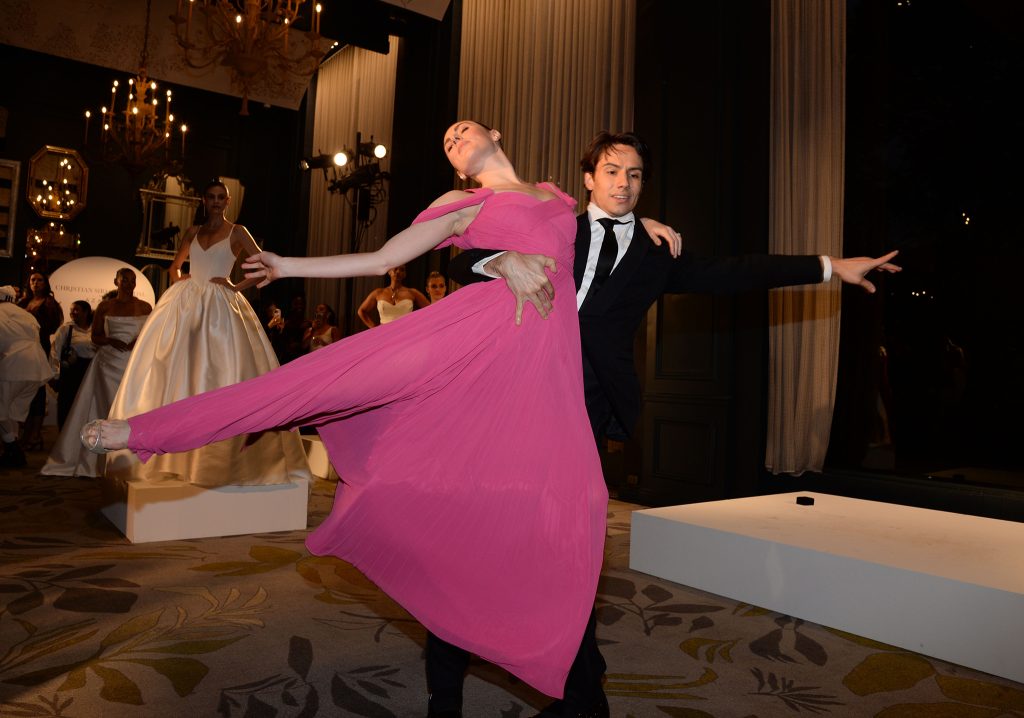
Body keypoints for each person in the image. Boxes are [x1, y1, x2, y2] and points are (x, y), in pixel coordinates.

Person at [79, 120, 684, 714]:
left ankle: (567, 674)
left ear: (495, 135)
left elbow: (600, 232)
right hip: (472, 337)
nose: (454, 140)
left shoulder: (554, 195)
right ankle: (147, 430)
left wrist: (644, 223)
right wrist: (290, 266)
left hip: (540, 381)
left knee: (575, 506)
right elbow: (382, 257)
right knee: (316, 380)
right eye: (447, 141)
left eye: (462, 131)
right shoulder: (459, 203)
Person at [448, 129, 901, 717]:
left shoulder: (654, 251)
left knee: (569, 543)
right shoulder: (557, 221)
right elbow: (462, 261)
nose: (624, 183)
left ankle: (577, 682)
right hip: (516, 394)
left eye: (635, 176)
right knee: (497, 532)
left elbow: (734, 271)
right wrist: (500, 259)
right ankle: (514, 655)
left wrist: (828, 266)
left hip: (586, 407)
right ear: (588, 179)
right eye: (612, 171)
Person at [102, 179, 310, 488]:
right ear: (203, 200)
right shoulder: (192, 232)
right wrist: (183, 280)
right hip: (186, 306)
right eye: (211, 197)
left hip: (221, 306)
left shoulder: (237, 231)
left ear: (227, 202)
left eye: (220, 198)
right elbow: (173, 268)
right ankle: (171, 453)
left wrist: (235, 286)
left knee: (221, 370)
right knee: (175, 370)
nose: (215, 202)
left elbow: (265, 267)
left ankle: (219, 457)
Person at [41, 269, 151, 477]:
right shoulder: (105, 307)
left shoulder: (144, 306)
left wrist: (139, 341)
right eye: (125, 280)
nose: (129, 284)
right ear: (116, 282)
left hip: (136, 362)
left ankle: (133, 455)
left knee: (135, 406)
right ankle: (98, 458)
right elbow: (96, 338)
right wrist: (111, 340)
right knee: (105, 406)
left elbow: (151, 332)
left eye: (133, 280)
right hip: (108, 363)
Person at [0, 286, 54, 468]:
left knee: (2, 410)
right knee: (12, 411)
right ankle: (11, 452)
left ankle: (13, 449)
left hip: (15, 364)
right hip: (36, 365)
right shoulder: (25, 314)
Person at [17, 272, 63, 450]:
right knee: (22, 389)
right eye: (32, 280)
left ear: (46, 283)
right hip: (21, 348)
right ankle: (22, 434)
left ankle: (35, 436)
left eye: (40, 280)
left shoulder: (49, 303)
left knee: (37, 391)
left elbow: (52, 326)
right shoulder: (22, 302)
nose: (35, 283)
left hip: (39, 347)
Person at [49, 300, 97, 429]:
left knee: (87, 404)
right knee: (67, 404)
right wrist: (55, 374)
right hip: (71, 372)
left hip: (90, 371)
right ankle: (64, 434)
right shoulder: (66, 328)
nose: (72, 312)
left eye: (76, 309)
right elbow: (55, 352)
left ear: (86, 312)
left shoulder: (95, 328)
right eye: (71, 310)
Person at [356, 264, 429, 328]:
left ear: (404, 274)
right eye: (395, 268)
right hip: (384, 334)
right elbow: (361, 311)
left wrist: (417, 325)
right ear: (389, 272)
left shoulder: (412, 293)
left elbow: (431, 310)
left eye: (402, 270)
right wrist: (374, 328)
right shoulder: (378, 293)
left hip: (406, 334)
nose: (398, 272)